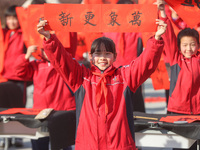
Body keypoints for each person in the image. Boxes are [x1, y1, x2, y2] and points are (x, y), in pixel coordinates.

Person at [37, 17, 166, 150]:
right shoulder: (82, 78)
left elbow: (145, 64)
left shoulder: (124, 77)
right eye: (98, 53)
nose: (102, 58)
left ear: (115, 57)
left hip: (119, 144)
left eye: (107, 53)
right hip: (88, 144)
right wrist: (49, 38)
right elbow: (63, 60)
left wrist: (156, 39)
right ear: (91, 56)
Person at [14, 46, 76, 150]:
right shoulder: (36, 65)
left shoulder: (64, 63)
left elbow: (73, 63)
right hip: (41, 111)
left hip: (62, 110)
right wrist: (26, 56)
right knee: (39, 142)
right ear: (41, 51)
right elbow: (19, 72)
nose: (48, 52)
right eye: (45, 49)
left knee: (63, 144)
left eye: (52, 49)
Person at [158, 0, 199, 149]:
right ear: (179, 47)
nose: (189, 48)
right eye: (185, 45)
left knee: (195, 145)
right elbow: (168, 35)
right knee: (179, 145)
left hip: (197, 112)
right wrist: (162, 12)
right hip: (177, 111)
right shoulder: (176, 59)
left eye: (193, 44)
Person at [103, 0, 145, 112]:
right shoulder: (108, 30)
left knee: (136, 110)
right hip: (113, 75)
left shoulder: (138, 30)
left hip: (133, 75)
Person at [0, 5, 27, 147]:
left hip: (19, 77)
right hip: (4, 77)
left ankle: (18, 136)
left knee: (19, 108)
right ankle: (4, 136)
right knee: (3, 108)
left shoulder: (24, 34)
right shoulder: (4, 34)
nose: (12, 22)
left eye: (14, 18)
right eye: (9, 18)